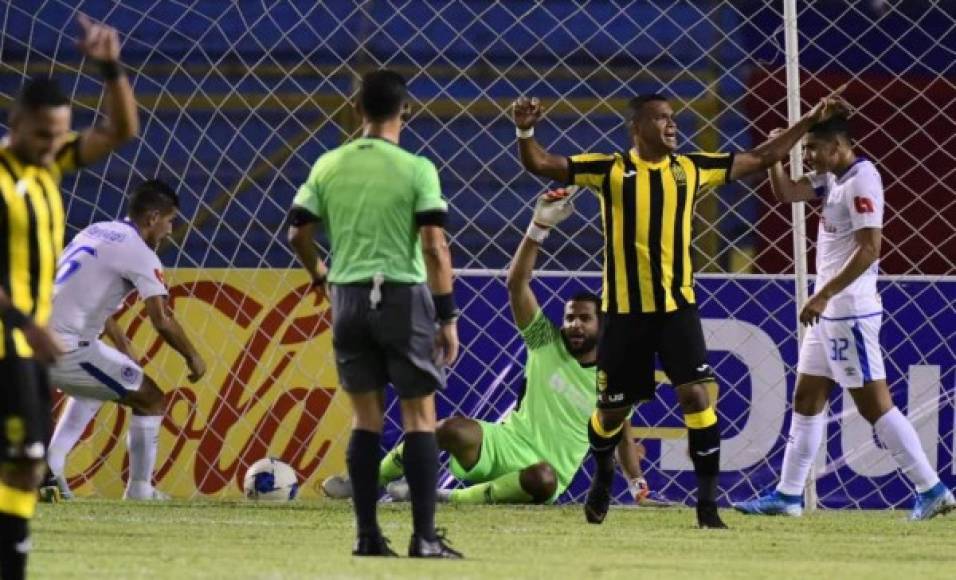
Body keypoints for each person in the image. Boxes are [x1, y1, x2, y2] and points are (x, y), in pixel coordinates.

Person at [512, 87, 848, 528]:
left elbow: (763, 157)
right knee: (611, 411)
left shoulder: (692, 169)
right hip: (625, 315)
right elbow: (540, 163)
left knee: (696, 395)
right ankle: (604, 474)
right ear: (636, 128)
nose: (671, 125)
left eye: (673, 117)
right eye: (660, 118)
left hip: (677, 310)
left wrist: (807, 120)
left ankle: (707, 507)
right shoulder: (608, 170)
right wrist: (525, 129)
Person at [323, 188, 671, 507]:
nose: (574, 325)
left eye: (584, 319)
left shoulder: (616, 377)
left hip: (544, 472)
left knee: (543, 478)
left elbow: (623, 436)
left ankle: (447, 497)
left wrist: (640, 490)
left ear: (602, 325)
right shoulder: (545, 341)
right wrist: (538, 228)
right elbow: (516, 283)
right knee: (450, 428)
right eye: (569, 318)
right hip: (503, 444)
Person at [733, 117, 956, 520]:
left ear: (838, 146)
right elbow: (787, 194)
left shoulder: (861, 182)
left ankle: (932, 487)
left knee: (875, 407)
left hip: (848, 310)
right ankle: (788, 495)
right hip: (832, 313)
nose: (809, 157)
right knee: (806, 399)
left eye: (813, 149)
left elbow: (870, 249)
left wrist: (823, 295)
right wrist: (775, 159)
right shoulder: (833, 178)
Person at [288, 69, 461, 558]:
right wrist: (447, 317)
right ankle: (423, 539)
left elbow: (297, 233)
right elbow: (434, 246)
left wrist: (319, 273)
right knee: (419, 417)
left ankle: (367, 537)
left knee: (366, 420)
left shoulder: (328, 164)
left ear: (357, 109)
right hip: (402, 298)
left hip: (346, 298)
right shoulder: (416, 169)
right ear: (404, 111)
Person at [0, 13, 138, 579]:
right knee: (20, 462)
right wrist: (23, 321)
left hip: (28, 344)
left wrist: (109, 68)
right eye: (42, 135)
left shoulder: (49, 165)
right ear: (16, 122)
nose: (53, 145)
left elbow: (121, 131)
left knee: (28, 466)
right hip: (10, 339)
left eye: (60, 134)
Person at [40, 179, 206, 502]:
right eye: (170, 220)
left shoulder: (96, 230)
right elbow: (163, 321)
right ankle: (140, 490)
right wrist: (193, 357)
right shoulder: (141, 255)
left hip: (34, 337)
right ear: (153, 217)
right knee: (152, 399)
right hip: (66, 348)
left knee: (104, 381)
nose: (170, 231)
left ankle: (53, 462)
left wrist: (123, 344)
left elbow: (85, 294)